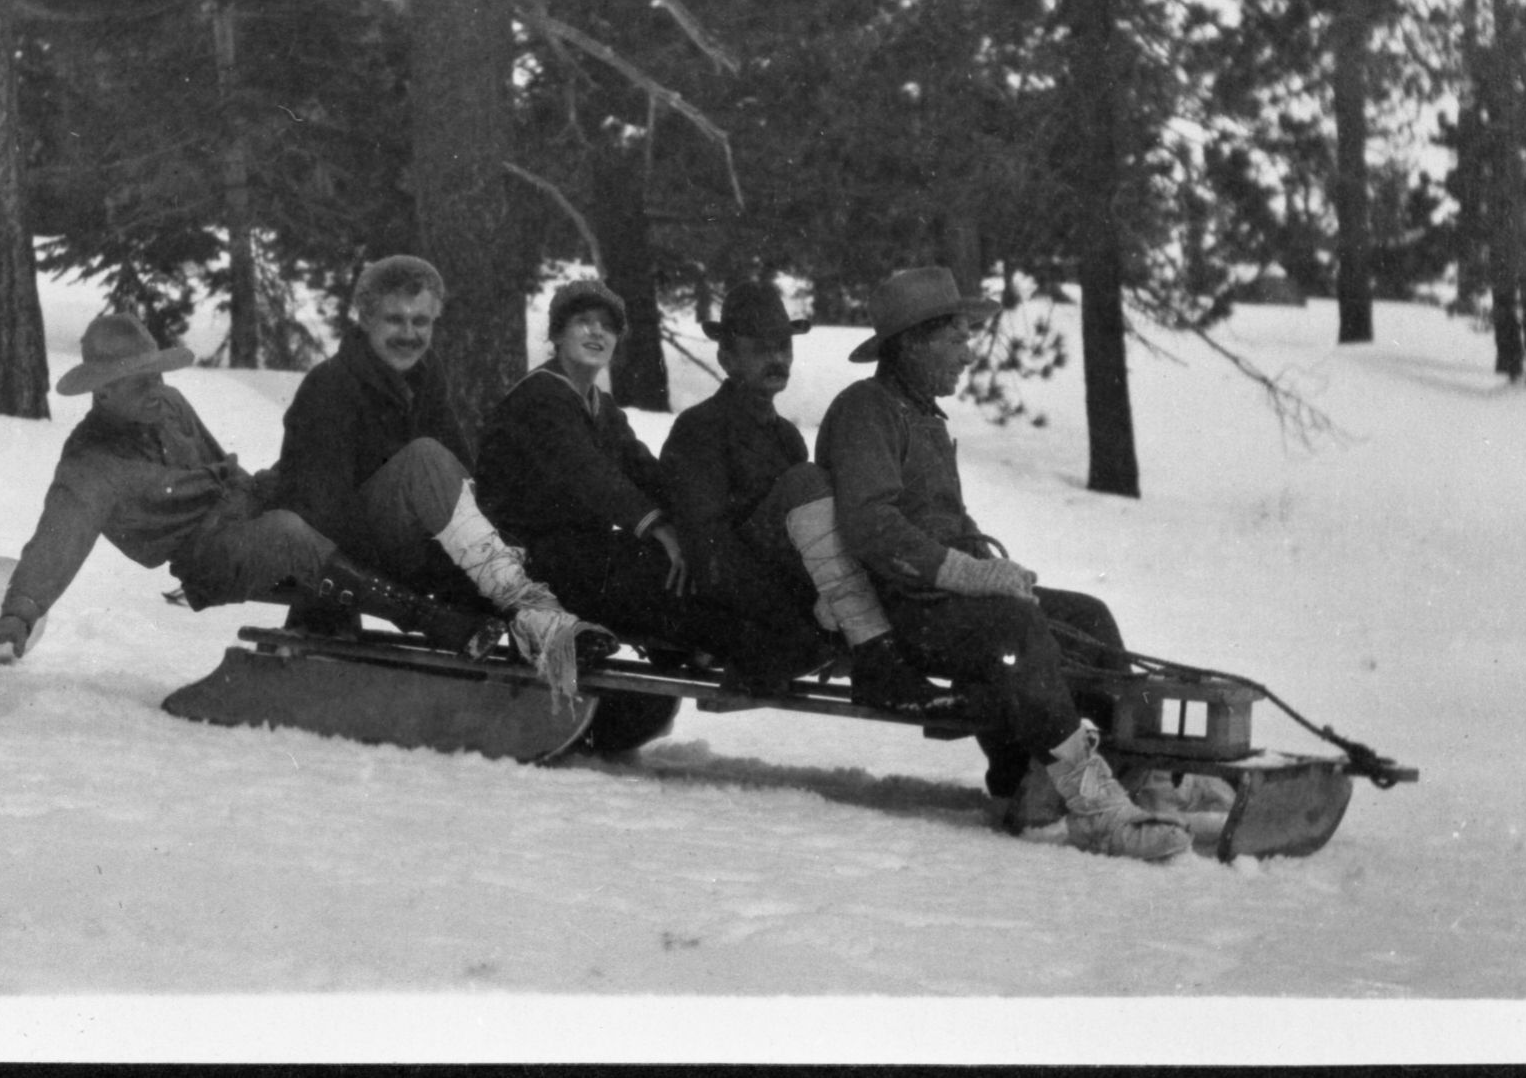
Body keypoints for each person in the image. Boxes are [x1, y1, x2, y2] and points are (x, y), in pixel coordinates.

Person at [816, 267, 1198, 862]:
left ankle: (1134, 769)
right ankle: (1094, 806)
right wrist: (967, 573)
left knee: (1088, 617)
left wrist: (994, 566)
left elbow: (945, 520)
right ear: (912, 341)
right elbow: (871, 527)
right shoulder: (867, 411)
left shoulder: (923, 418)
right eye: (957, 340)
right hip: (903, 614)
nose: (968, 357)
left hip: (947, 599)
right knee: (1016, 630)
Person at [0, 313, 501, 665]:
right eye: (140, 381)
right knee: (287, 532)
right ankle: (431, 621)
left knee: (325, 483)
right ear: (102, 394)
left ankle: (468, 587)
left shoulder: (167, 407)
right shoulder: (89, 470)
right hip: (207, 558)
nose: (158, 389)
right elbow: (56, 544)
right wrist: (20, 613)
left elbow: (224, 473)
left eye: (158, 374)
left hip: (244, 510)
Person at [266, 255, 614, 695]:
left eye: (421, 322)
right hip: (344, 550)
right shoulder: (331, 387)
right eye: (395, 320)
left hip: (409, 542)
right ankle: (532, 615)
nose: (409, 334)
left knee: (513, 520)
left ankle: (551, 638)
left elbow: (460, 477)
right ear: (365, 319)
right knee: (424, 459)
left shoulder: (426, 377)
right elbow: (317, 506)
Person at [477, 278, 824, 688]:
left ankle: (711, 644)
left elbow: (641, 467)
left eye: (607, 326)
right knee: (660, 577)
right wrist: (659, 527)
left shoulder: (598, 405)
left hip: (577, 550)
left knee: (672, 570)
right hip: (520, 558)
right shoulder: (541, 396)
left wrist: (689, 523)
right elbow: (591, 475)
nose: (596, 333)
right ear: (555, 334)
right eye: (582, 323)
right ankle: (745, 648)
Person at [659, 282, 965, 715]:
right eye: (760, 349)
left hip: (792, 589)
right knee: (807, 482)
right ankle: (877, 656)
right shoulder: (700, 429)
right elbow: (710, 551)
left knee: (820, 483)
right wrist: (792, 620)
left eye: (784, 346)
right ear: (727, 358)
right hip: (735, 605)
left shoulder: (786, 437)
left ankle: (880, 646)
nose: (778, 358)